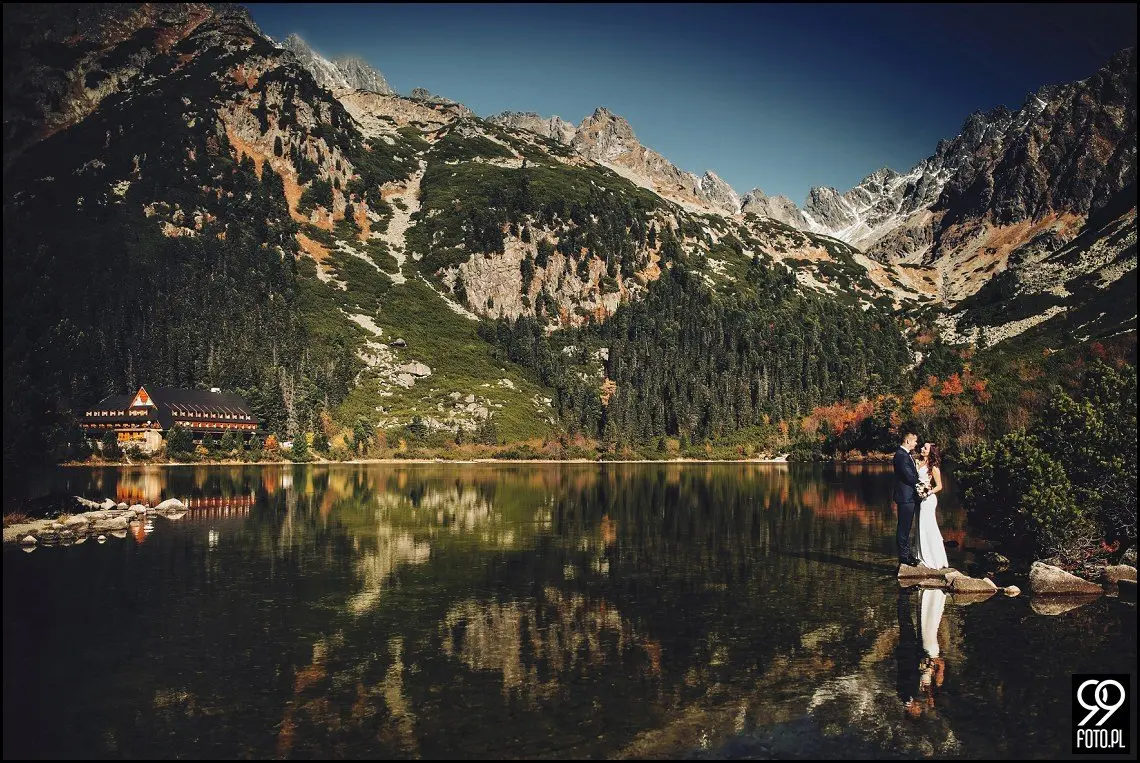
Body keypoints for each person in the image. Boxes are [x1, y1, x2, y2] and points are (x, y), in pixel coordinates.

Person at [915, 442, 949, 569]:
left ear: (931, 452)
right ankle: (921, 556)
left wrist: (927, 492)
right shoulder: (918, 462)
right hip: (919, 498)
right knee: (920, 526)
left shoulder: (933, 467)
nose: (922, 449)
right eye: (923, 447)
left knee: (928, 526)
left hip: (928, 500)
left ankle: (933, 559)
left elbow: (939, 486)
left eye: (925, 448)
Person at [893, 429, 921, 566]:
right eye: (915, 441)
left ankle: (907, 554)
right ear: (908, 441)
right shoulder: (901, 455)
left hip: (909, 496)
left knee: (907, 527)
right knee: (903, 528)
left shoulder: (905, 455)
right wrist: (920, 481)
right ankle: (904, 557)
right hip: (905, 497)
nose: (916, 444)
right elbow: (910, 476)